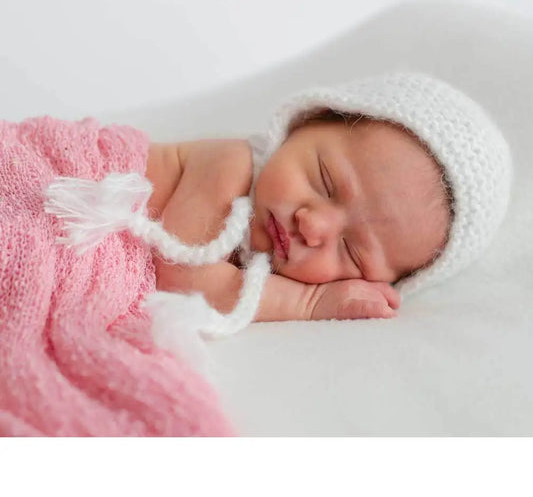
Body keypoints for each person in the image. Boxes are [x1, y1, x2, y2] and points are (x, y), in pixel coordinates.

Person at [144, 71, 512, 324]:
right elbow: (181, 276)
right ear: (307, 122)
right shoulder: (231, 164)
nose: (313, 225)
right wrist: (308, 304)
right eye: (325, 181)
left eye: (352, 250)